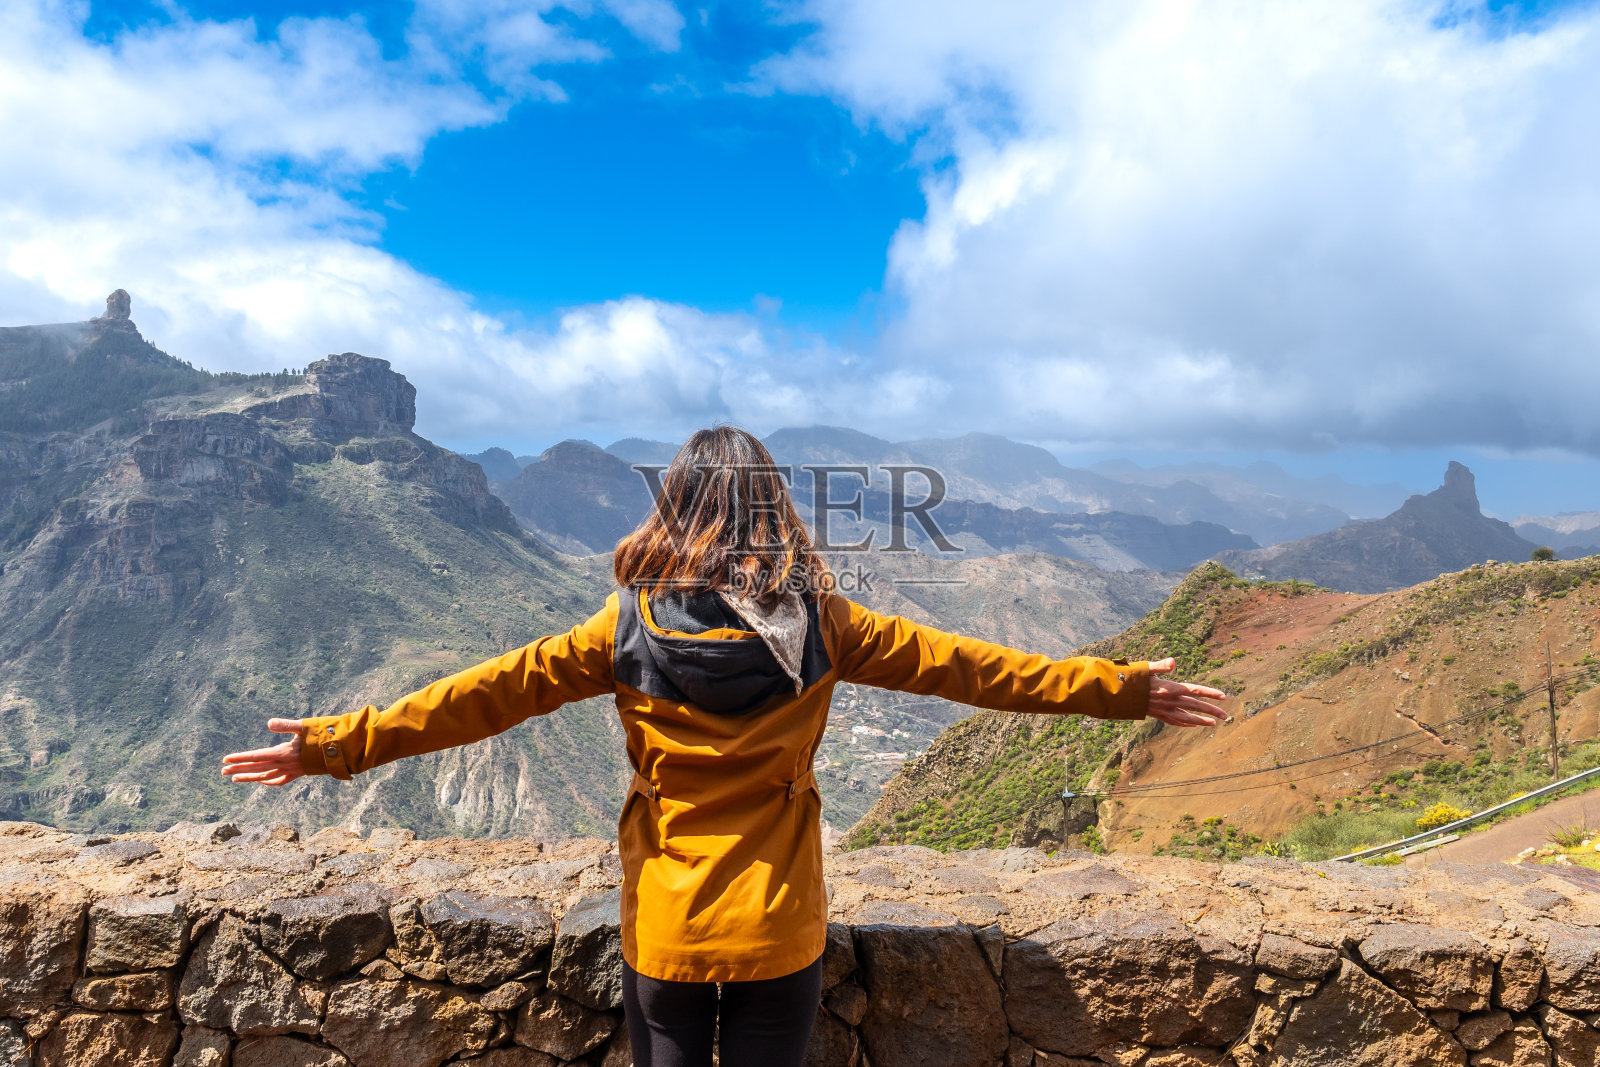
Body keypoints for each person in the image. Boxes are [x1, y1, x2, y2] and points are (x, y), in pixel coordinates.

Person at [221, 425, 1228, 1067]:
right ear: (773, 512)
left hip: (666, 926)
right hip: (778, 928)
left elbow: (475, 699)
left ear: (676, 511)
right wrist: (1125, 689)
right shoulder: (832, 625)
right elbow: (981, 669)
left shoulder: (620, 631)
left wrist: (332, 746)